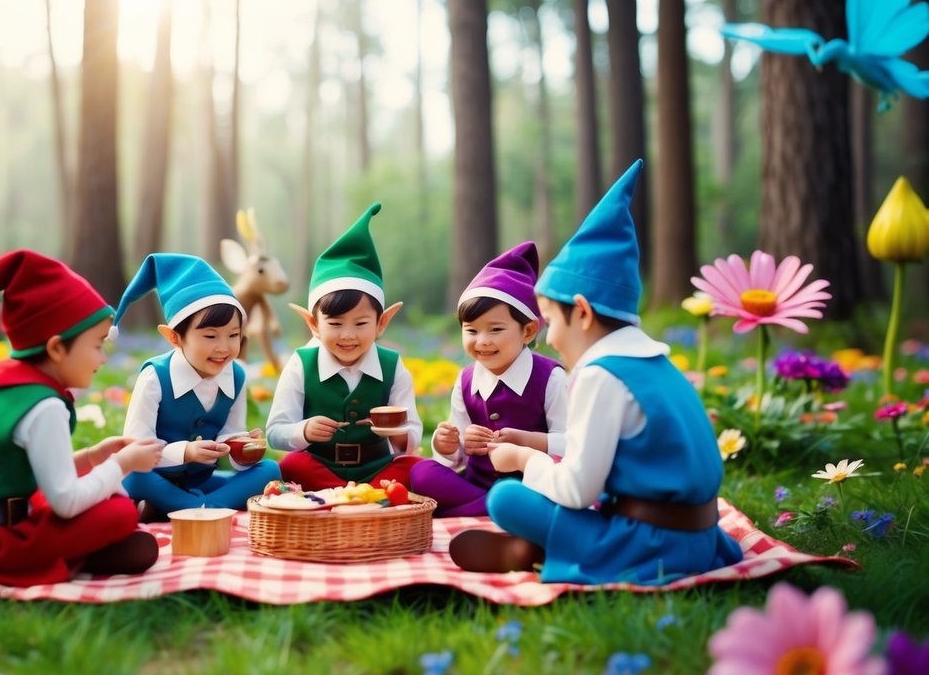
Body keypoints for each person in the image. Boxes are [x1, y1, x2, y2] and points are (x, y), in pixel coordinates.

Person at [449, 161, 744, 583]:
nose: (549, 339)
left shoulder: (600, 375)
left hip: (647, 543)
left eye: (552, 321)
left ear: (583, 313)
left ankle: (544, 549)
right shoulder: (658, 363)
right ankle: (537, 547)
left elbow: (577, 490)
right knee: (528, 499)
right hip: (702, 536)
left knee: (506, 498)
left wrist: (525, 458)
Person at [0, 250, 164, 586]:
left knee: (88, 503)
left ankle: (85, 554)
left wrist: (92, 457)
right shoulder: (44, 406)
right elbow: (66, 502)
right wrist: (122, 464)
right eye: (98, 344)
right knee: (120, 512)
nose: (102, 358)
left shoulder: (2, 385)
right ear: (57, 348)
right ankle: (73, 558)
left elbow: (23, 471)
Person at [266, 203, 428, 490]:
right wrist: (304, 430)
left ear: (382, 323)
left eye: (361, 323)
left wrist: (397, 434)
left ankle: (354, 498)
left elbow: (412, 432)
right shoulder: (302, 363)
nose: (348, 335)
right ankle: (360, 499)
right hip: (319, 468)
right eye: (336, 324)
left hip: (377, 468)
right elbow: (275, 433)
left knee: (418, 468)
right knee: (290, 464)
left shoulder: (392, 365)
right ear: (313, 324)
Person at [111, 254, 280, 519]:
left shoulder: (236, 375)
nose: (224, 347)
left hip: (200, 483)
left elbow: (229, 434)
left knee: (270, 471)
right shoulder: (155, 377)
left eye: (234, 335)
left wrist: (241, 447)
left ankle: (188, 507)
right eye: (210, 336)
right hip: (153, 477)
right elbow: (135, 450)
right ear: (174, 337)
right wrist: (185, 452)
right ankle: (205, 508)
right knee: (133, 476)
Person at [410, 241, 567, 517]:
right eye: (471, 330)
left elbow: (571, 444)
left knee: (541, 493)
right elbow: (454, 457)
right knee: (421, 473)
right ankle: (492, 510)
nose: (482, 341)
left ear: (528, 331)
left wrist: (529, 441)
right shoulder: (467, 380)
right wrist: (448, 445)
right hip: (477, 485)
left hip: (531, 486)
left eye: (495, 329)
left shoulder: (550, 378)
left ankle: (472, 511)